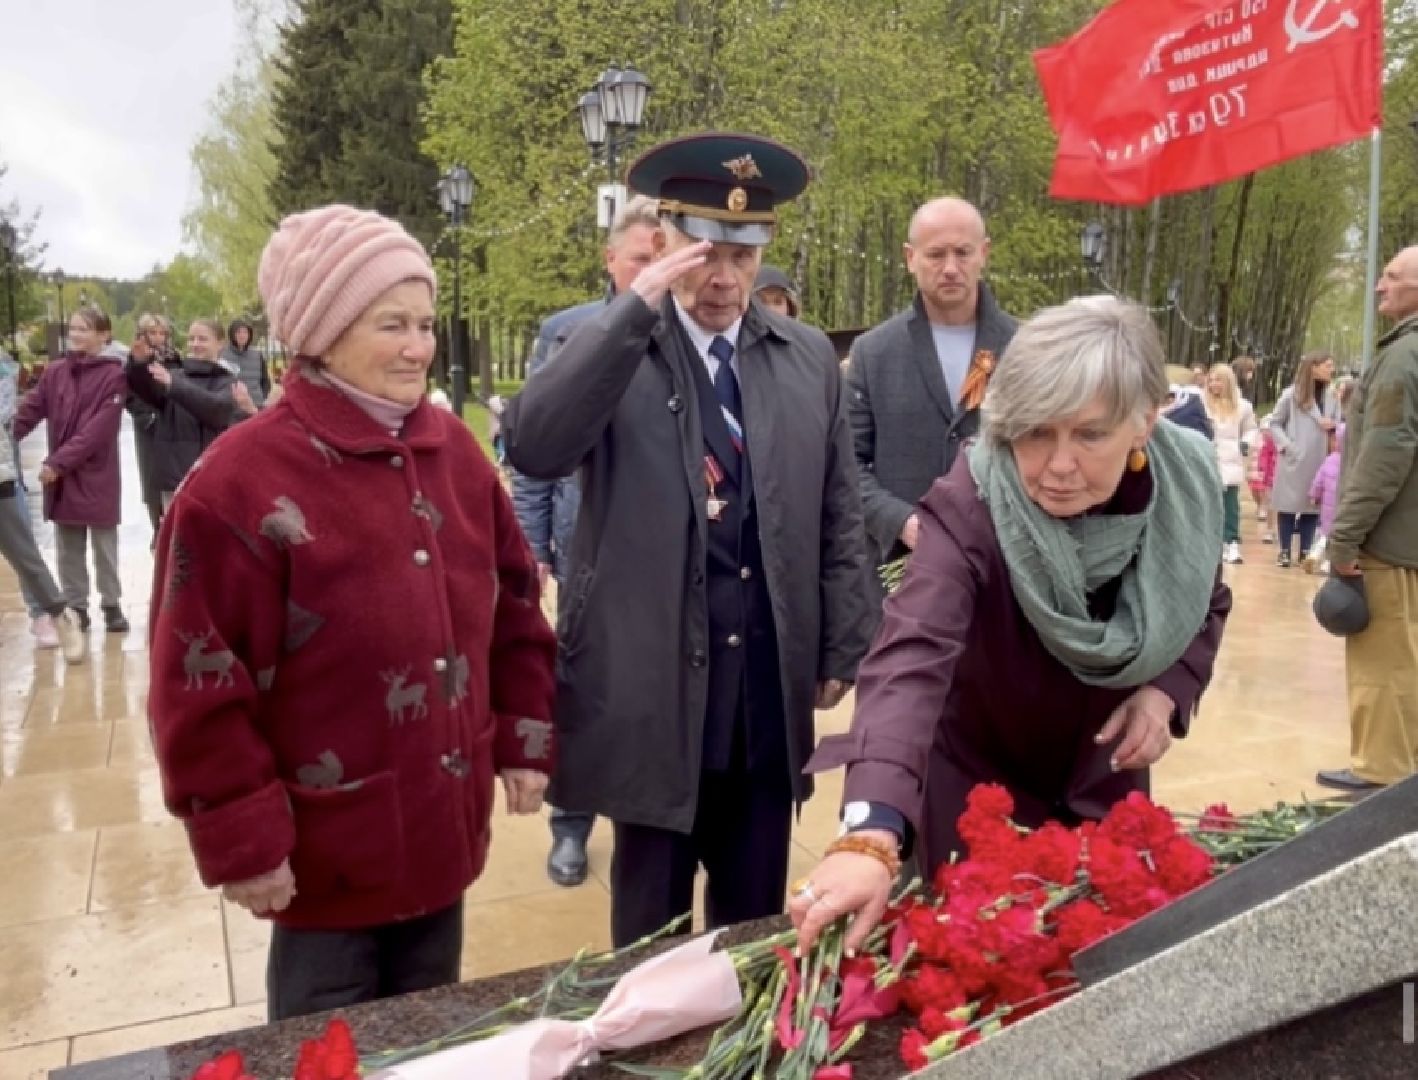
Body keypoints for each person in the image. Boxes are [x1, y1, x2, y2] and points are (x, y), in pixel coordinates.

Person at [148, 204, 557, 1021]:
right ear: (322, 332)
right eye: (391, 324)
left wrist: (524, 736)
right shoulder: (236, 483)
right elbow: (196, 680)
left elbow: (515, 604)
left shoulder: (455, 451)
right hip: (322, 866)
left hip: (443, 840)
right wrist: (242, 839)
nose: (418, 347)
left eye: (426, 324)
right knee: (323, 1056)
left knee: (430, 1045)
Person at [504, 132, 872, 948]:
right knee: (650, 945)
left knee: (753, 940)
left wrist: (845, 641)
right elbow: (533, 446)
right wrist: (635, 312)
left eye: (743, 254)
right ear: (664, 241)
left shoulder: (805, 359)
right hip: (653, 697)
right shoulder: (608, 348)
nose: (724, 276)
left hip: (763, 701)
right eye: (705, 250)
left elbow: (838, 510)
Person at [789, 297, 1232, 954]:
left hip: (1104, 777)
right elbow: (909, 652)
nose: (1056, 466)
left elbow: (1204, 599)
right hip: (977, 784)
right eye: (1034, 433)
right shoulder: (974, 498)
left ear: (1144, 421)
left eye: (1089, 435)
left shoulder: (1185, 489)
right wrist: (871, 828)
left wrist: (1166, 688)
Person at [509, 194, 659, 889]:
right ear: (611, 261)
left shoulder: (687, 335)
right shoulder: (569, 334)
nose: (656, 271)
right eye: (642, 259)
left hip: (660, 562)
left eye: (666, 257)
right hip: (584, 556)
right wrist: (530, 545)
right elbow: (532, 453)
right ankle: (570, 827)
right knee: (582, 695)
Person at [846, 197, 1017, 603]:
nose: (951, 268)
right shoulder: (873, 353)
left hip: (1006, 575)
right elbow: (846, 464)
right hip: (901, 578)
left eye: (963, 252)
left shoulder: (1025, 348)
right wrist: (901, 522)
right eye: (936, 254)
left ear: (984, 254)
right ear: (910, 258)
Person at [1317, 246, 1418, 793]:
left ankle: (1381, 771)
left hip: (1387, 541)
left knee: (1382, 663)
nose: (1380, 286)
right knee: (1409, 657)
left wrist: (1345, 537)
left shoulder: (1403, 358)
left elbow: (1385, 454)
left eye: (1392, 277)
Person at [12, 306, 130, 643]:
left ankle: (111, 604)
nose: (75, 334)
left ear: (103, 335)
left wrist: (57, 462)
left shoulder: (115, 375)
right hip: (62, 477)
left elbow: (99, 430)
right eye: (73, 328)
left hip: (96, 473)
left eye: (84, 328)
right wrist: (6, 438)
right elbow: (30, 412)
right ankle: (76, 606)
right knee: (68, 547)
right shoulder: (55, 372)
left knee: (105, 544)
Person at [1, 347, 85, 659]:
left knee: (25, 558)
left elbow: (6, 417)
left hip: (0, 477)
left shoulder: (2, 366)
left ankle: (63, 618)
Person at [126, 317, 258, 511]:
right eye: (192, 339)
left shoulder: (227, 380)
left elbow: (215, 409)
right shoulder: (175, 375)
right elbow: (144, 391)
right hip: (174, 480)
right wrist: (138, 364)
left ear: (220, 343)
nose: (195, 344)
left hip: (210, 479)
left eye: (202, 339)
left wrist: (174, 386)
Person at [1268, 353, 1339, 568]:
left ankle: (1305, 549)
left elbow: (1342, 422)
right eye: (1327, 365)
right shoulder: (1292, 395)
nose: (1331, 369)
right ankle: (1285, 550)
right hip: (1295, 457)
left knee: (1312, 504)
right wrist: (1288, 446)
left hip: (1320, 457)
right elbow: (1275, 423)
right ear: (1313, 367)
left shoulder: (1332, 396)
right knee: (1288, 503)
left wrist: (1333, 424)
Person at [127, 314, 180, 539]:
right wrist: (146, 416)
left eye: (162, 333)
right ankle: (157, 530)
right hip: (148, 427)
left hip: (172, 424)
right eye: (153, 332)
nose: (158, 337)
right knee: (151, 479)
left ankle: (173, 526)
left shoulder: (175, 357)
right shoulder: (136, 358)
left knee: (172, 475)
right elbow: (129, 392)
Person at [1203, 362, 1258, 565]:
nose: (1213, 384)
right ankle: (1211, 542)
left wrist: (1245, 444)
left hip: (1230, 458)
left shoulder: (1243, 407)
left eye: (1218, 380)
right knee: (1209, 501)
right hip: (1208, 455)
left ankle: (1231, 541)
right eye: (1211, 380)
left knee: (1230, 504)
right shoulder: (1202, 404)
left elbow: (1251, 429)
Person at [1305, 426, 1343, 574]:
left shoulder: (1329, 460)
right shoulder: (1352, 462)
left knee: (1323, 533)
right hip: (1342, 507)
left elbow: (1318, 481)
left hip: (1327, 507)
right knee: (1336, 536)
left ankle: (1314, 555)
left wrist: (1314, 495)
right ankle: (1328, 562)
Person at [221, 317, 271, 408]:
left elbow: (265, 381)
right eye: (238, 332)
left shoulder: (257, 355)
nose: (242, 335)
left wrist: (263, 397)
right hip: (233, 408)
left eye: (245, 332)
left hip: (257, 405)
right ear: (232, 334)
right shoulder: (222, 355)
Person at [1249, 419, 1278, 544]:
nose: (1267, 433)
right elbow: (1264, 456)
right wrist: (1263, 467)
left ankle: (1277, 530)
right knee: (1270, 503)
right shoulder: (1267, 443)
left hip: (1284, 477)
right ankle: (1270, 530)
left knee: (1279, 505)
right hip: (1270, 477)